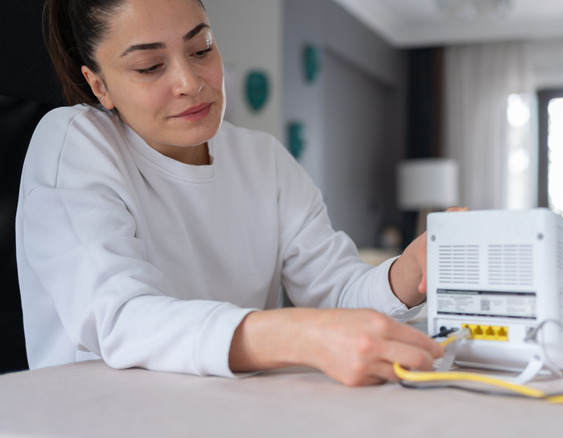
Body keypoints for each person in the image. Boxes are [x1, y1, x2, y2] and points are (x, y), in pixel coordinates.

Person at [15, 0, 444, 386]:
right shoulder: (74, 143)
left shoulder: (263, 159)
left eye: (201, 48)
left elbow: (340, 293)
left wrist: (411, 270)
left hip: (230, 412)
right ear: (99, 85)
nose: (189, 81)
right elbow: (122, 316)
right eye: (149, 66)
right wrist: (296, 336)